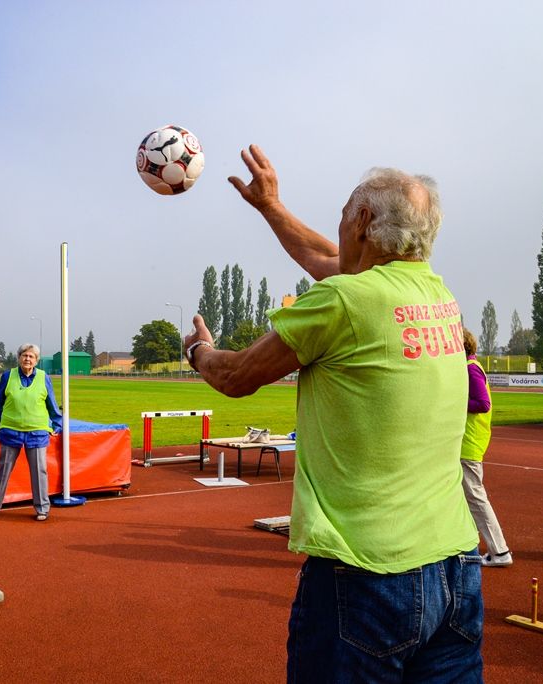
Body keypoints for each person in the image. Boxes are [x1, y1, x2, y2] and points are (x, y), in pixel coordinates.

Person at [183, 145, 482, 681]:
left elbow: (234, 377)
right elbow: (331, 261)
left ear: (363, 220)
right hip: (456, 570)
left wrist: (197, 352)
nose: (339, 226)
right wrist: (271, 206)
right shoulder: (439, 294)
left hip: (367, 574)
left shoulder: (345, 301)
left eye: (345, 214)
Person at [0, 343, 61, 521]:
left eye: (31, 356)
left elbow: (51, 402)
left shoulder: (43, 377)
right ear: (19, 358)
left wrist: (57, 423)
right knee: (3, 469)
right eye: (24, 355)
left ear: (37, 360)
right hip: (11, 429)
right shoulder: (7, 376)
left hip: (37, 430)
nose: (27, 359)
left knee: (39, 470)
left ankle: (42, 508)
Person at [460, 329, 512, 567]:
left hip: (468, 443)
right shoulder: (469, 367)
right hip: (464, 442)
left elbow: (482, 403)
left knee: (475, 496)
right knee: (464, 496)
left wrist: (455, 399)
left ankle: (500, 551)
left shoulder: (471, 368)